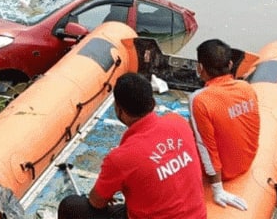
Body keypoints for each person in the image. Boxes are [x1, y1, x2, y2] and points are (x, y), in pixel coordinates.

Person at [58, 73, 206, 219]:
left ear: (119, 110)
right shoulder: (178, 122)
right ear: (153, 103)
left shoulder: (120, 158)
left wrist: (105, 193)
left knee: (70, 206)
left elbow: (96, 202)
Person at [189, 39, 260, 211]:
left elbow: (205, 146)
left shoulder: (199, 99)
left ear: (200, 68)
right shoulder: (246, 87)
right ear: (230, 64)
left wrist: (217, 189)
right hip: (246, 161)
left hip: (225, 172)